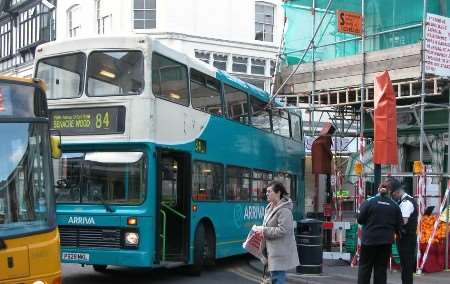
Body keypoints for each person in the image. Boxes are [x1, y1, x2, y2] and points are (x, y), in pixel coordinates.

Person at [357, 177, 403, 284]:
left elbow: (360, 219)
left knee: (365, 267)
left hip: (369, 241)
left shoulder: (369, 202)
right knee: (381, 269)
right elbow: (399, 225)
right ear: (389, 191)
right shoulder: (394, 206)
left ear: (378, 189)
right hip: (385, 242)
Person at [254, 181, 299, 284]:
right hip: (270, 251)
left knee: (278, 279)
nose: (267, 193)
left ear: (278, 193)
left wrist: (263, 230)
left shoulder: (284, 210)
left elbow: (283, 230)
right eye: (266, 191)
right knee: (274, 279)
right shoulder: (269, 208)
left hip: (279, 252)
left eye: (269, 191)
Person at [391, 184, 418, 284]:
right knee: (406, 266)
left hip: (406, 238)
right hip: (406, 238)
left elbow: (404, 221)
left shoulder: (406, 203)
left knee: (406, 266)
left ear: (398, 192)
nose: (393, 197)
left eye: (394, 194)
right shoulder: (405, 200)